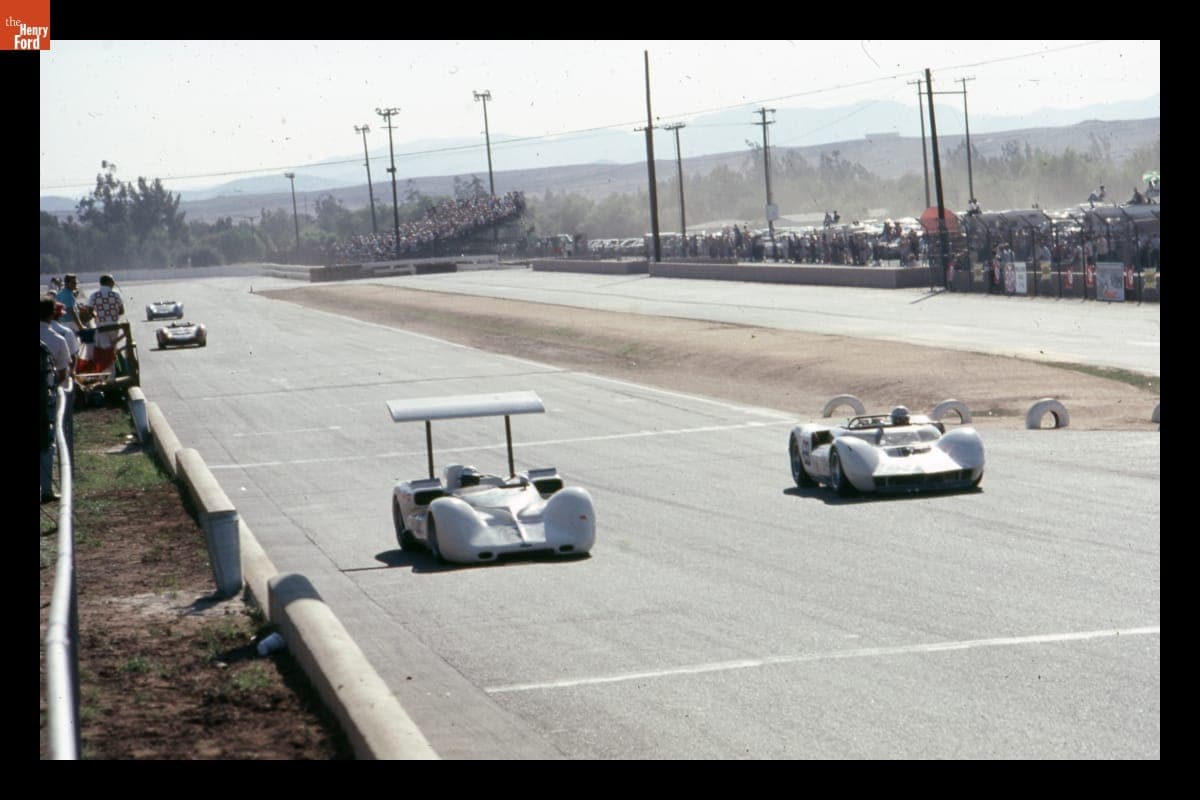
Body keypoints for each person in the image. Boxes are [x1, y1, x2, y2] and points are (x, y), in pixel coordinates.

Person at [41, 297, 71, 503]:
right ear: (52, 314)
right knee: (47, 443)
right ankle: (46, 489)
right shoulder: (58, 339)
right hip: (45, 397)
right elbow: (63, 373)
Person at [84, 274, 125, 375]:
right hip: (114, 326)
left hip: (101, 327)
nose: (114, 283)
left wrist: (97, 315)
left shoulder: (94, 295)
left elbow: (89, 310)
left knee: (104, 350)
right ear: (108, 282)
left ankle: (109, 373)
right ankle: (113, 372)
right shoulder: (116, 295)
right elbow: (121, 311)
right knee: (112, 348)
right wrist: (112, 314)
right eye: (112, 281)